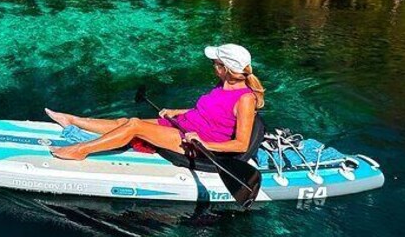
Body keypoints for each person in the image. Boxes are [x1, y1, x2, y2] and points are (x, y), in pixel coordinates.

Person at [46, 44, 265, 161]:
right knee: (125, 121)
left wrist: (204, 144)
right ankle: (73, 120)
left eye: (215, 63)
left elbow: (241, 144)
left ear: (224, 68)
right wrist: (175, 111)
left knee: (134, 125)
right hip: (185, 124)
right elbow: (210, 112)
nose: (212, 65)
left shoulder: (245, 99)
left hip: (197, 143)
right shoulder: (222, 85)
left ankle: (81, 150)